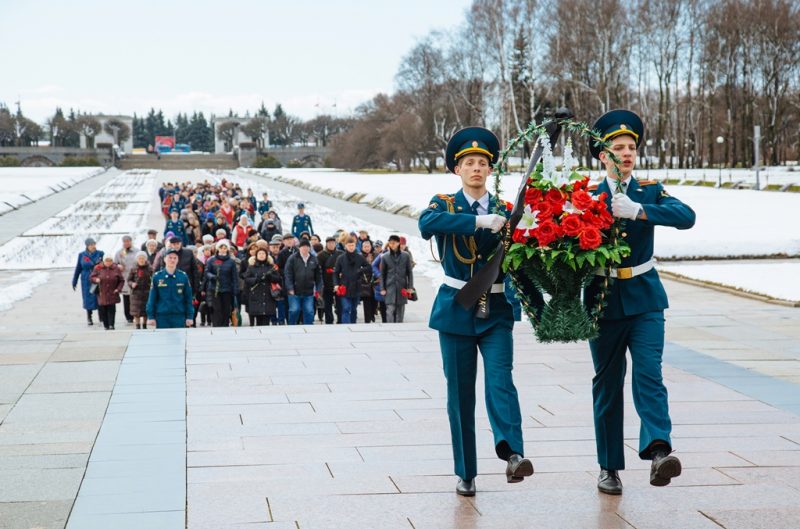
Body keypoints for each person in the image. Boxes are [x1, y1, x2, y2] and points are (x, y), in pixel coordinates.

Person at [583, 109, 696, 495]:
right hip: (603, 302)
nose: (627, 153)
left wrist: (641, 211)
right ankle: (609, 467)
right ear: (603, 155)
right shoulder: (586, 197)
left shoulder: (648, 191)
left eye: (631, 147)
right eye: (618, 148)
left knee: (649, 373)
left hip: (646, 296)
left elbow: (686, 217)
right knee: (608, 385)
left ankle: (659, 451)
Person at [418, 126, 532, 496]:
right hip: (456, 309)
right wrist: (477, 222)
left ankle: (513, 453)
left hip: (496, 308)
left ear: (491, 169)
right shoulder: (445, 204)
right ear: (457, 170)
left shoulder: (504, 209)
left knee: (501, 380)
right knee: (460, 395)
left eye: (483, 162)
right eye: (469, 163)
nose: (476, 168)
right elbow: (426, 224)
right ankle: (466, 471)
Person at [146, 248, 194, 329]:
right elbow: (152, 298)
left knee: (179, 340)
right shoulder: (157, 276)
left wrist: (190, 316)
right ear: (164, 259)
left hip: (179, 315)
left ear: (178, 260)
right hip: (162, 316)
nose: (172, 260)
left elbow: (188, 298)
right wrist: (151, 316)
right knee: (163, 341)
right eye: (170, 257)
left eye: (175, 258)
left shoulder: (183, 276)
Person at [284, 239, 322, 325]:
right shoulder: (293, 258)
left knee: (309, 311)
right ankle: (291, 326)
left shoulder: (314, 259)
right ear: (299, 248)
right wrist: (290, 287)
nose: (305, 248)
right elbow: (288, 274)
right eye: (303, 247)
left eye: (307, 247)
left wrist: (318, 289)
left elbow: (319, 276)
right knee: (294, 310)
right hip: (294, 291)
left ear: (309, 248)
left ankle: (308, 328)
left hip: (309, 291)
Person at [333, 236, 370, 324]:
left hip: (356, 286)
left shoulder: (359, 257)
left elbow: (368, 267)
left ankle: (353, 325)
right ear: (345, 246)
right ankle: (345, 326)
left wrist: (360, 270)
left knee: (353, 309)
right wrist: (336, 284)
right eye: (349, 245)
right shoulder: (341, 258)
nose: (351, 247)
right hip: (344, 286)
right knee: (346, 308)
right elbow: (336, 272)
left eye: (352, 245)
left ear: (355, 245)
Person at [204, 239, 239, 327]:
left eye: (225, 248)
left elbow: (234, 276)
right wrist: (212, 276)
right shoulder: (211, 260)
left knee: (226, 309)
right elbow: (206, 272)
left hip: (227, 288)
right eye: (221, 247)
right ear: (217, 249)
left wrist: (235, 289)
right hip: (214, 288)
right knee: (217, 309)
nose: (223, 249)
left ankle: (225, 325)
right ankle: (217, 325)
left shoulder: (231, 261)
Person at [380, 235, 414, 323]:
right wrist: (382, 288)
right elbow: (382, 274)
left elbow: (409, 272)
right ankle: (390, 328)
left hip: (402, 287)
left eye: (394, 243)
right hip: (389, 287)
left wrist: (410, 287)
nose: (392, 245)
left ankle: (400, 329)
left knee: (400, 310)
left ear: (398, 243)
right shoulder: (384, 257)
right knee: (390, 310)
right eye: (390, 243)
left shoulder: (406, 256)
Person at [243, 247, 280, 326]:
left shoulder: (271, 267)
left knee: (266, 319)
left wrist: (271, 277)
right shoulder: (252, 267)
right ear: (256, 255)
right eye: (259, 254)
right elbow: (246, 279)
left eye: (263, 254)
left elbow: (278, 278)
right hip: (256, 295)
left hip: (268, 295)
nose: (261, 255)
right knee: (258, 318)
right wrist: (256, 279)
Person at [72, 238, 104, 326]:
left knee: (99, 296)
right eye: (91, 245)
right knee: (87, 298)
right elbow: (78, 268)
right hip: (86, 279)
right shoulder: (82, 255)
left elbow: (105, 265)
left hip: (97, 277)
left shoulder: (100, 253)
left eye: (94, 244)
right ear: (87, 246)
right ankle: (89, 317)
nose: (93, 246)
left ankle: (101, 317)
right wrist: (74, 281)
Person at [90, 255, 125, 330]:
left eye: (110, 261)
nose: (108, 262)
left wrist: (118, 289)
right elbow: (91, 277)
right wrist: (96, 279)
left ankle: (111, 325)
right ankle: (106, 325)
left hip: (112, 292)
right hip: (101, 292)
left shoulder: (116, 268)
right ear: (103, 261)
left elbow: (121, 280)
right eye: (107, 261)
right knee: (103, 309)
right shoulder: (98, 267)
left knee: (111, 309)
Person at [317, 236, 342, 324]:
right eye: (329, 243)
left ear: (335, 244)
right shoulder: (321, 255)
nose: (331, 244)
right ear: (326, 244)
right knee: (327, 305)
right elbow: (318, 269)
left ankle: (340, 321)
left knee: (340, 304)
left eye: (333, 243)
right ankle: (329, 322)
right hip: (326, 284)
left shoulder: (341, 253)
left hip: (338, 284)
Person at [114, 235, 138, 324]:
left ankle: (135, 314)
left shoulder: (137, 251)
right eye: (124, 242)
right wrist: (117, 266)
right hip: (124, 277)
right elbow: (114, 264)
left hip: (134, 277)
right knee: (126, 298)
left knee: (135, 297)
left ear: (131, 242)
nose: (126, 243)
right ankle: (128, 316)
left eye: (128, 241)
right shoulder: (119, 252)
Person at [128, 251, 153, 329]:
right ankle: (137, 326)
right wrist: (132, 284)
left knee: (145, 311)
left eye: (143, 258)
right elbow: (129, 280)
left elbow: (153, 278)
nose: (141, 260)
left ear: (145, 259)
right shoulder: (133, 268)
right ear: (137, 259)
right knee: (136, 311)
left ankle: (145, 325)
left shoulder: (150, 268)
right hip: (136, 293)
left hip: (146, 292)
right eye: (139, 258)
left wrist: (152, 284)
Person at [359, 240, 377, 323]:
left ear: (371, 247)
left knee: (374, 301)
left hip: (375, 281)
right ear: (362, 247)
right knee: (367, 301)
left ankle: (372, 314)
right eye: (365, 247)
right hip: (364, 281)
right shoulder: (359, 256)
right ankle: (367, 319)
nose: (366, 248)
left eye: (368, 246)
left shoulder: (375, 255)